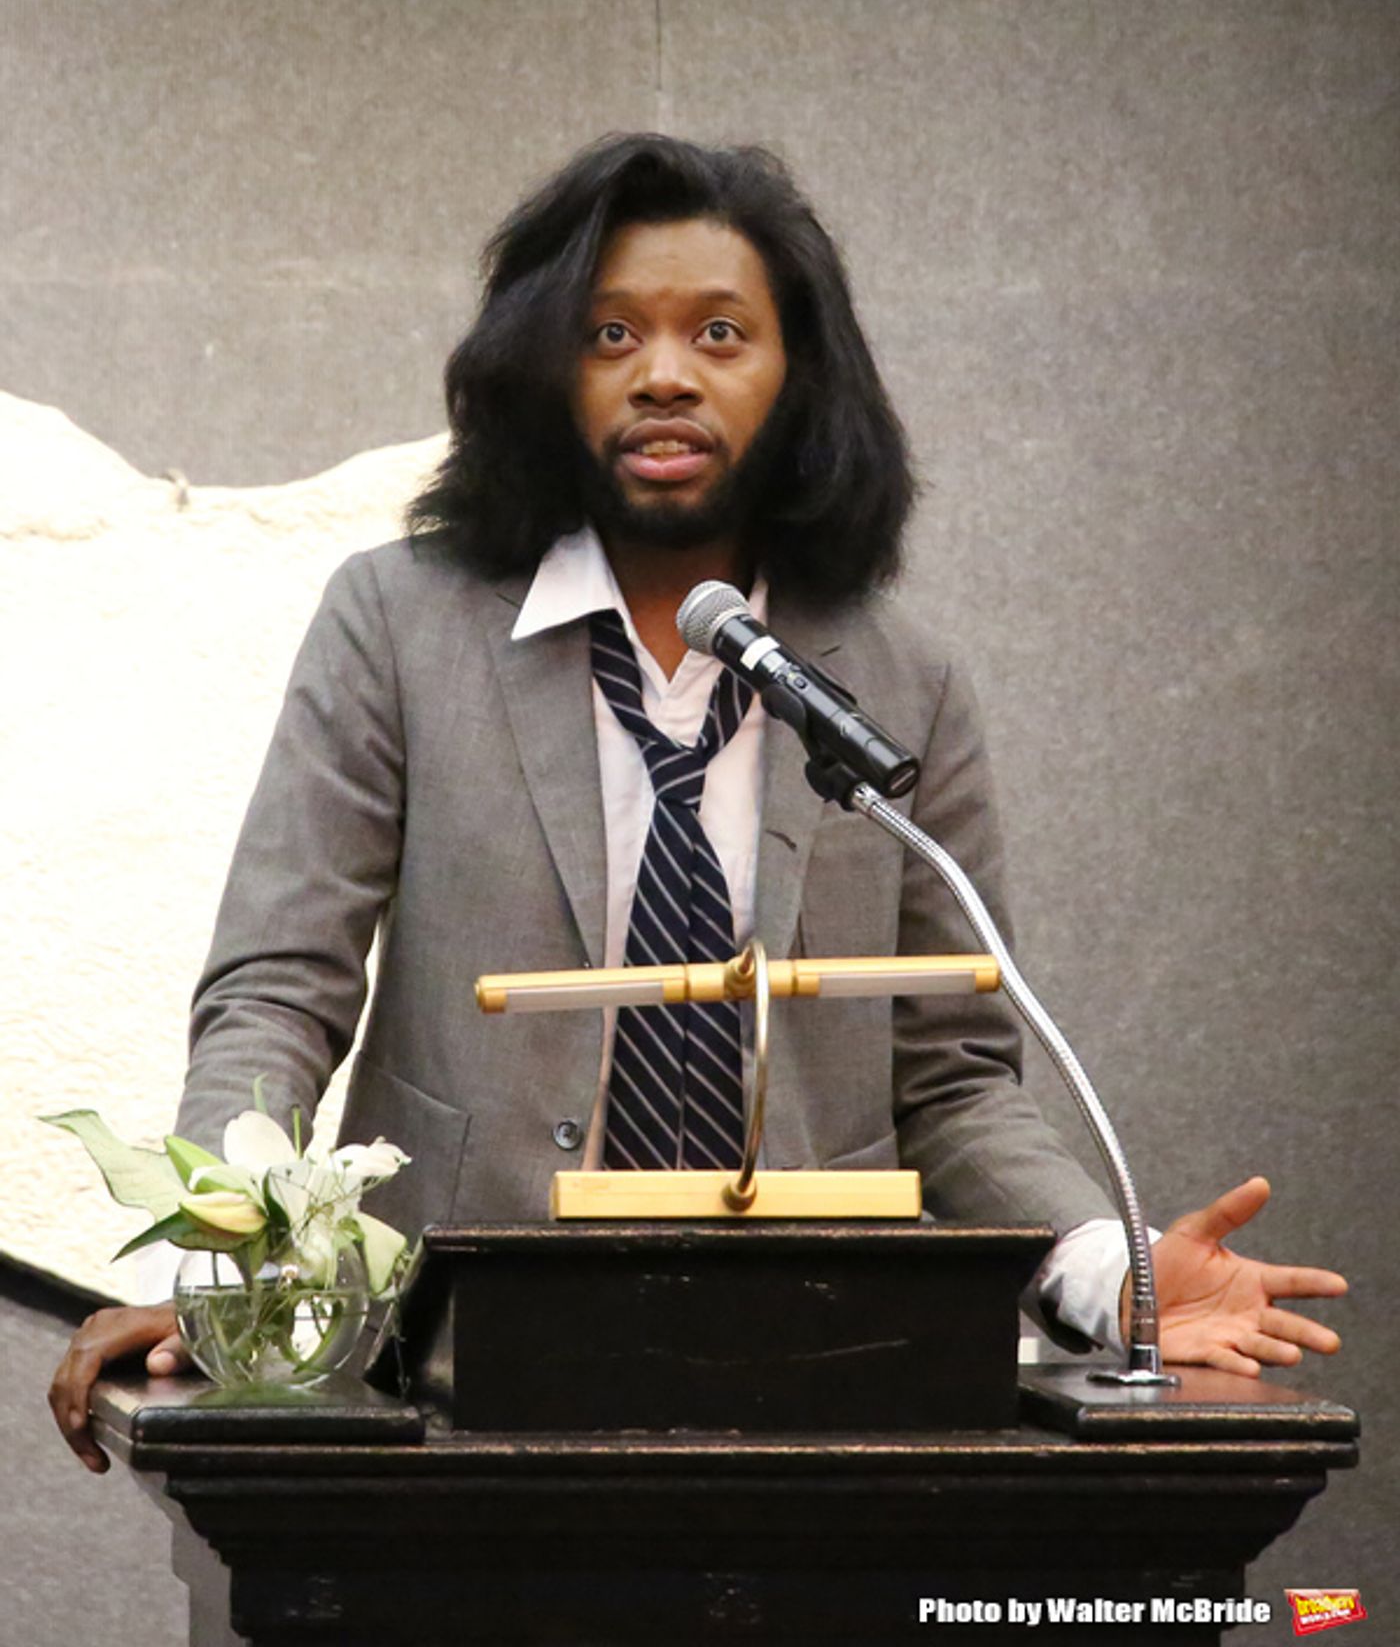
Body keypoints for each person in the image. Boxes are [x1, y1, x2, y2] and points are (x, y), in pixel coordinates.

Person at [50, 134, 1346, 1472]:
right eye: (611, 333)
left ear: (797, 380)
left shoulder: (898, 680)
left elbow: (952, 1079)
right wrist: (235, 1272)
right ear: (547, 372)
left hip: (809, 1394)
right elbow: (278, 989)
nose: (663, 373)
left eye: (720, 333)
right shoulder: (396, 625)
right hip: (450, 1391)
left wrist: (1112, 1276)